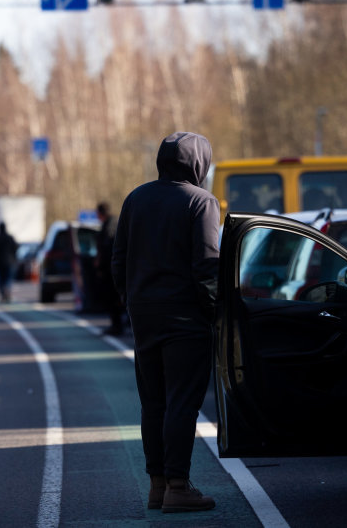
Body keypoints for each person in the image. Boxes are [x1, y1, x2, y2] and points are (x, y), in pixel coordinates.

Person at [112, 131, 220, 514]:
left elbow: (118, 259)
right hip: (186, 318)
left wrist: (132, 302)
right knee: (182, 403)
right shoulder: (201, 203)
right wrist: (214, 313)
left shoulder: (136, 199)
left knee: (153, 402)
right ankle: (179, 485)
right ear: (198, 163)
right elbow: (207, 267)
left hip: (144, 318)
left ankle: (157, 485)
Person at [94, 201, 124, 335]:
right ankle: (118, 325)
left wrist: (101, 266)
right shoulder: (116, 222)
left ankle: (117, 326)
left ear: (100, 213)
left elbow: (107, 248)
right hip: (116, 267)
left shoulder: (108, 227)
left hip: (110, 270)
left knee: (113, 299)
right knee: (117, 298)